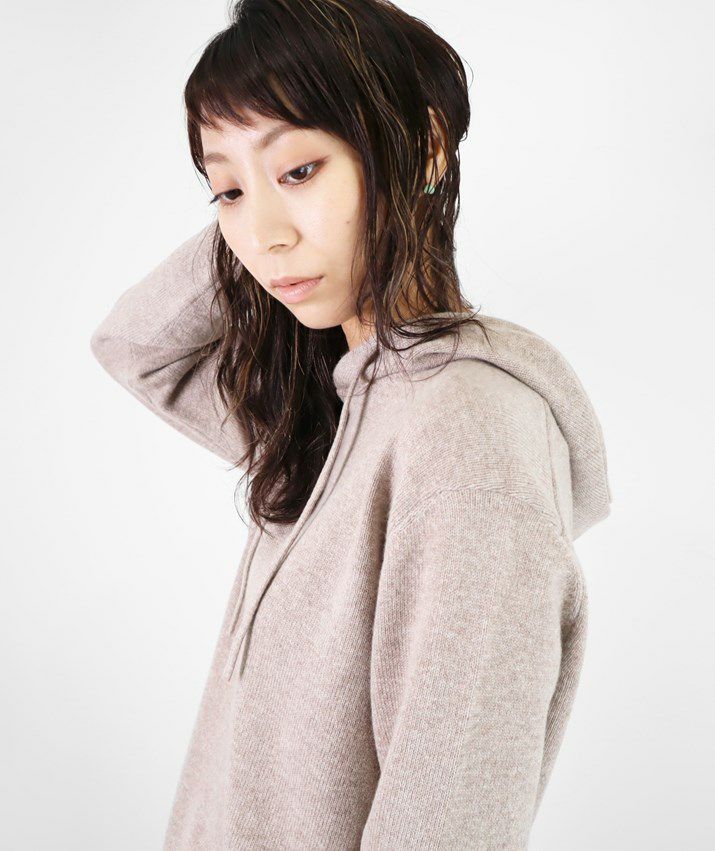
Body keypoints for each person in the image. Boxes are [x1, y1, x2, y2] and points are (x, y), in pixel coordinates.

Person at [89, 0, 612, 848]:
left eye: (299, 170)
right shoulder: (327, 414)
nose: (262, 234)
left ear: (424, 147)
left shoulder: (467, 437)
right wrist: (265, 205)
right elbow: (136, 346)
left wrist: (261, 197)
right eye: (227, 190)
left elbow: (447, 824)